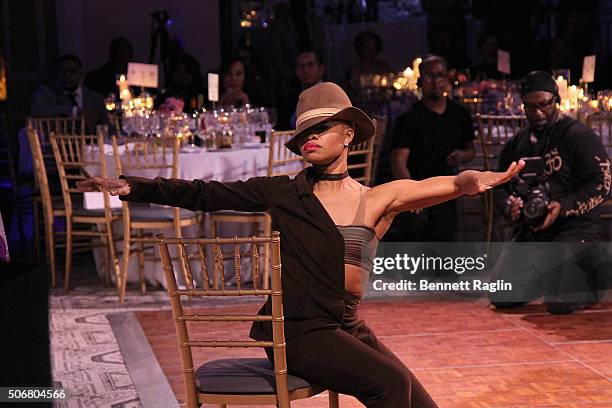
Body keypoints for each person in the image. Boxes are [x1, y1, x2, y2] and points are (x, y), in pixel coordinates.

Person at [77, 82, 523, 407]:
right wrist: (133, 186)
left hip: (345, 325)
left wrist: (477, 179)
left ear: (348, 133)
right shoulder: (284, 194)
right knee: (389, 383)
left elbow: (441, 184)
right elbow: (205, 193)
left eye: (322, 128)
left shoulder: (376, 198)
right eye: (304, 133)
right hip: (297, 330)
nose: (309, 138)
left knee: (419, 401)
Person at [490, 71, 611, 314]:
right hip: (534, 228)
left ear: (555, 100)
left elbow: (602, 183)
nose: (537, 112)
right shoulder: (517, 144)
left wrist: (562, 206)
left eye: (544, 105)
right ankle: (551, 274)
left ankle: (594, 274)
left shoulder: (578, 136)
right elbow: (499, 186)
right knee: (502, 296)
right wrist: (510, 204)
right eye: (530, 106)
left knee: (561, 303)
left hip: (574, 226)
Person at [388, 55, 475, 242]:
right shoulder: (408, 118)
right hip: (418, 192)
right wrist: (413, 195)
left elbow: (470, 150)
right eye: (429, 76)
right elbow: (398, 163)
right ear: (420, 81)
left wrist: (461, 155)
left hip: (449, 190)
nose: (436, 82)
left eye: (440, 75)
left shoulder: (460, 114)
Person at [30, 54, 108, 133]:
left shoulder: (95, 97)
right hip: (57, 141)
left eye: (72, 72)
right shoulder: (46, 92)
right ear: (57, 73)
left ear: (80, 74)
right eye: (63, 71)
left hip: (91, 142)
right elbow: (38, 110)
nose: (67, 75)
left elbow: (106, 123)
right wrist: (74, 111)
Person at [284, 49, 326, 129]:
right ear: (297, 71)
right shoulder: (290, 99)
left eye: (310, 65)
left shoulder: (331, 94)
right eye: (302, 66)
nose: (305, 69)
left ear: (321, 69)